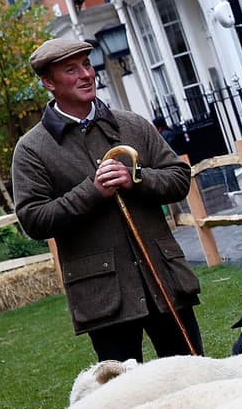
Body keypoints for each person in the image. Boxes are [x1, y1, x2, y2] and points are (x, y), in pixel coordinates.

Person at [11, 37, 205, 363]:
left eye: (87, 65)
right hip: (103, 295)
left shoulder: (133, 125)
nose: (86, 74)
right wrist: (92, 192)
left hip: (164, 279)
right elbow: (33, 219)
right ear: (48, 83)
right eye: (71, 70)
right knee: (123, 390)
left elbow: (178, 178)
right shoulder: (32, 149)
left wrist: (136, 179)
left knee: (192, 376)